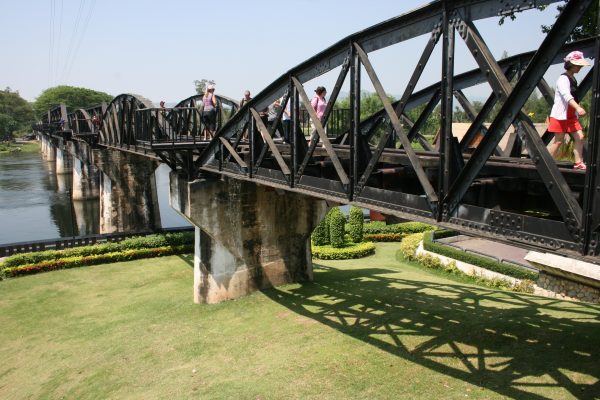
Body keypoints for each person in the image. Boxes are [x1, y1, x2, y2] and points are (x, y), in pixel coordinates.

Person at [547, 50, 591, 170]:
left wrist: (576, 109)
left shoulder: (573, 78)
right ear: (571, 64)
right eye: (578, 65)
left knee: (580, 137)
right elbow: (566, 96)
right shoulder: (563, 79)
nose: (580, 67)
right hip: (560, 115)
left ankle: (578, 162)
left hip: (571, 115)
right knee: (559, 141)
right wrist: (578, 107)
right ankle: (547, 164)